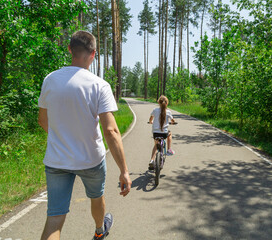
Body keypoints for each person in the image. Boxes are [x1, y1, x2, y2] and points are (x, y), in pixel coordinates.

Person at [38, 30, 131, 240]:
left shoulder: (50, 80)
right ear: (94, 54)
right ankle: (100, 230)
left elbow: (43, 120)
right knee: (96, 198)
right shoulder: (99, 85)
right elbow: (111, 131)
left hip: (57, 160)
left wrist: (61, 139)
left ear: (70, 49)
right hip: (91, 160)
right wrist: (124, 170)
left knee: (54, 218)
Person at [148, 95, 176, 170]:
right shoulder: (168, 111)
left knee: (156, 145)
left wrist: (151, 122)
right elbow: (172, 120)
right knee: (169, 134)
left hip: (156, 132)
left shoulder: (155, 110)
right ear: (167, 103)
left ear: (158, 102)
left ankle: (152, 160)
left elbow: (151, 119)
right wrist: (173, 122)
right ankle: (169, 149)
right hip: (164, 133)